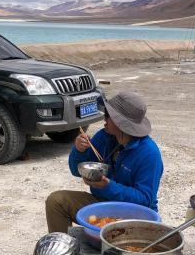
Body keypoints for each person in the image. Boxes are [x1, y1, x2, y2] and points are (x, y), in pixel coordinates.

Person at [45, 91, 163, 233]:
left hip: (135, 215)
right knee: (56, 201)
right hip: (102, 205)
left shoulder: (149, 153)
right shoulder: (104, 136)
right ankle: (61, 249)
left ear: (121, 123)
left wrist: (108, 187)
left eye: (108, 115)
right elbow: (76, 171)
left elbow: (144, 199)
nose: (104, 118)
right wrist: (79, 150)